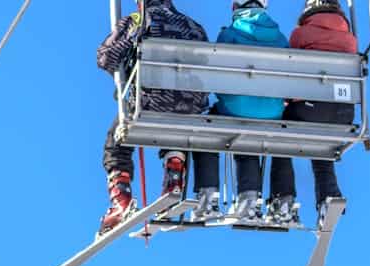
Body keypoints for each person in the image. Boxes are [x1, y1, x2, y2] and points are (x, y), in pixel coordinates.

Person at [96, 0, 221, 233]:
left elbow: (106, 57)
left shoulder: (139, 20)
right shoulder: (194, 27)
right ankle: (174, 175)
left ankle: (121, 199)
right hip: (189, 105)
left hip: (150, 102)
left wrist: (124, 64)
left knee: (116, 142)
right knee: (177, 122)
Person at [266, 0, 359, 227]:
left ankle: (283, 198)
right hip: (343, 112)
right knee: (322, 147)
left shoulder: (300, 35)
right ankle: (329, 197)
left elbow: (291, 70)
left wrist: (287, 100)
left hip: (310, 107)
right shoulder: (350, 39)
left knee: (280, 138)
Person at [198, 0, 290, 223]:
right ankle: (252, 199)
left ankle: (208, 195)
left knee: (205, 129)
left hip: (236, 108)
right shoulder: (280, 38)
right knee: (251, 129)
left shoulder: (229, 35)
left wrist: (226, 97)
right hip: (272, 111)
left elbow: (216, 76)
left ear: (235, 7)